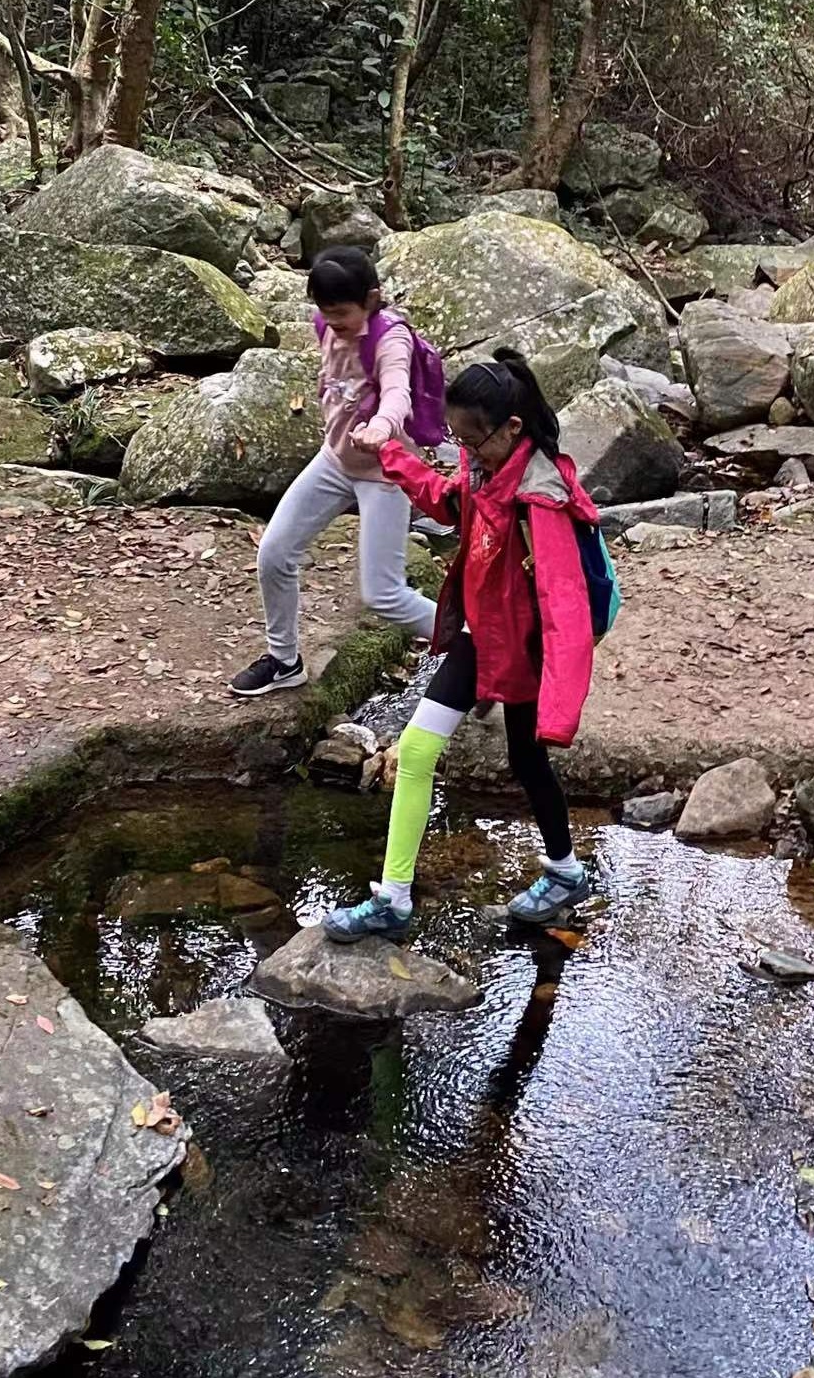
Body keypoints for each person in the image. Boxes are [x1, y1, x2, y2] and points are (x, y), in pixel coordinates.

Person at [324, 350, 601, 941]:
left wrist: (557, 711)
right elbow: (448, 502)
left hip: (525, 650)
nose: (464, 452)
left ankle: (565, 871)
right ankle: (394, 899)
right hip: (482, 637)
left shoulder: (540, 499)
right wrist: (391, 454)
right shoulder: (484, 469)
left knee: (530, 760)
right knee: (419, 751)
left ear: (512, 430)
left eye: (473, 441)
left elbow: (566, 611)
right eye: (457, 440)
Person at [230, 247, 437, 698]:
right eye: (327, 315)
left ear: (372, 298)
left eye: (343, 315)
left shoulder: (390, 339)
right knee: (274, 554)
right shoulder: (326, 324)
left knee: (383, 595)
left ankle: (475, 642)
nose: (335, 324)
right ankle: (284, 661)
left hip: (385, 471)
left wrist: (382, 427)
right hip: (335, 460)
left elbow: (398, 391)